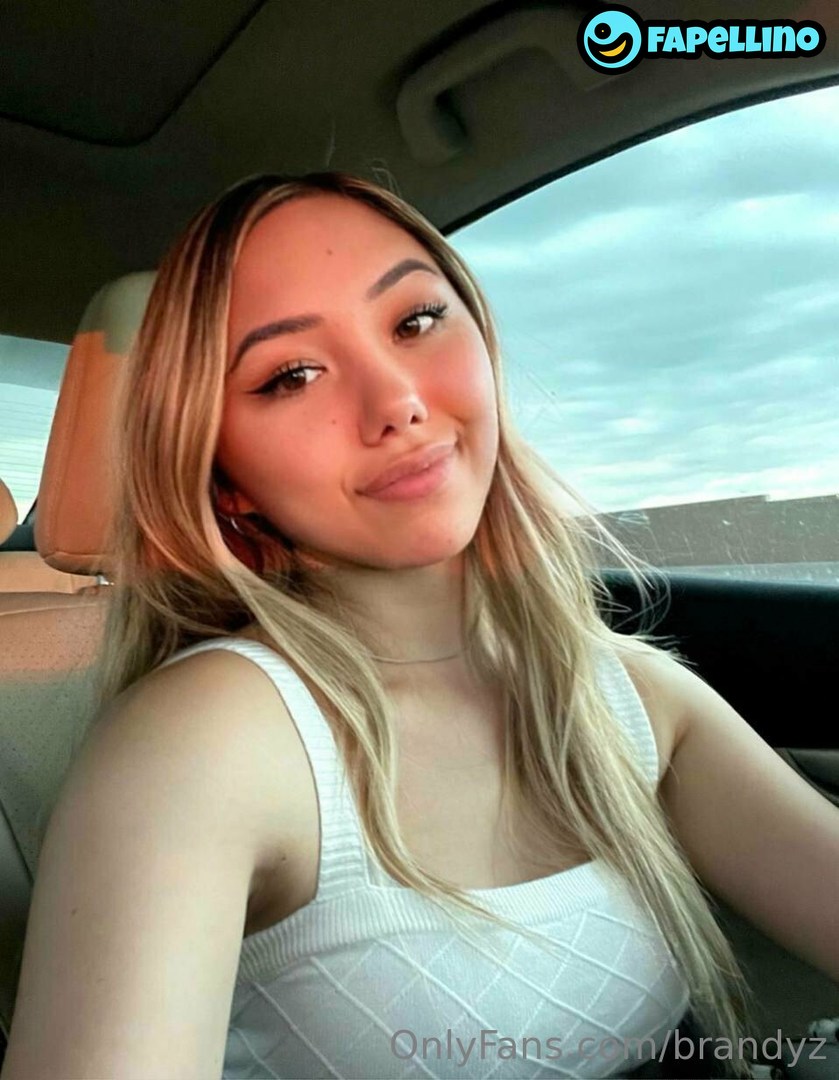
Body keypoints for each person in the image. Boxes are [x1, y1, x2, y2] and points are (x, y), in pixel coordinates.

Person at [3, 171, 837, 1080]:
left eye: (415, 320)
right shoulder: (205, 738)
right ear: (226, 477)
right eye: (290, 375)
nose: (394, 400)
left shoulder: (630, 695)